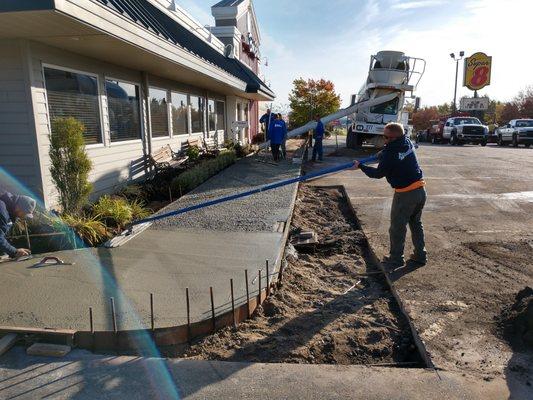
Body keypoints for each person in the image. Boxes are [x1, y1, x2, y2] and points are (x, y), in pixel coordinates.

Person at [353, 122, 427, 268]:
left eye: (385, 137)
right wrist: (382, 153)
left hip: (405, 194)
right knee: (416, 223)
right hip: (420, 190)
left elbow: (378, 174)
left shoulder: (390, 153)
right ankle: (420, 255)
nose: (384, 139)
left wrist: (360, 166)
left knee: (397, 228)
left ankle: (396, 258)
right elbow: (391, 151)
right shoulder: (406, 142)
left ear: (392, 138)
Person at [0, 192, 36, 259]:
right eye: (24, 213)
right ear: (18, 207)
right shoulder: (2, 211)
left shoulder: (10, 214)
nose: (24, 216)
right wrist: (15, 251)